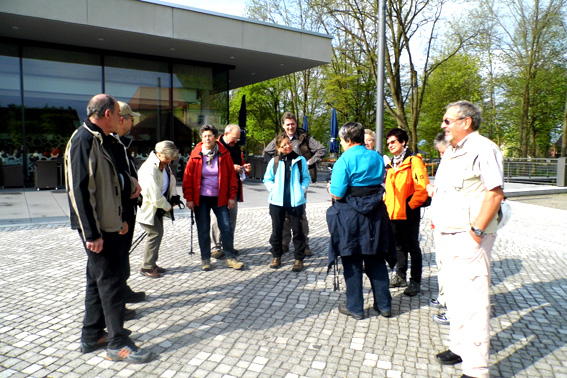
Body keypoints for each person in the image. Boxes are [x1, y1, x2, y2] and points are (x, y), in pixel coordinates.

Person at [65, 94, 151, 363]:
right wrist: (91, 233)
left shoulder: (101, 140)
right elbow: (78, 190)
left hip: (109, 224)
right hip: (98, 229)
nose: (121, 118)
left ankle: (91, 335)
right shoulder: (84, 140)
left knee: (96, 280)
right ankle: (117, 342)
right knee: (111, 281)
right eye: (117, 114)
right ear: (106, 115)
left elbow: (110, 185)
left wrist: (121, 218)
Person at [431, 101, 504, 378]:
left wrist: (475, 233)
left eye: (447, 120)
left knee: (473, 301)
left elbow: (494, 193)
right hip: (447, 233)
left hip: (469, 236)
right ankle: (459, 348)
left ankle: (476, 369)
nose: (443, 125)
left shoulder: (484, 149)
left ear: (466, 122)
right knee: (455, 297)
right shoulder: (451, 151)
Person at [326, 122, 397, 320]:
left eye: (341, 140)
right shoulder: (376, 156)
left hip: (351, 217)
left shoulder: (344, 159)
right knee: (376, 259)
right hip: (376, 213)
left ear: (348, 140)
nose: (340, 143)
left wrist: (329, 189)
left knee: (352, 260)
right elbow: (381, 179)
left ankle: (355, 307)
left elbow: (338, 193)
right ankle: (384, 305)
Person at [264, 112, 326, 256]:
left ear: (296, 124)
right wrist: (275, 166)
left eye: (292, 124)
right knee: (284, 216)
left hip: (298, 183)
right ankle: (284, 244)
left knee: (300, 215)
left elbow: (322, 150)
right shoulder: (279, 139)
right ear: (283, 125)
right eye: (288, 124)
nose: (290, 127)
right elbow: (266, 152)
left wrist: (308, 163)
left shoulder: (305, 138)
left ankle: (304, 245)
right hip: (282, 183)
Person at [182, 124, 243, 271]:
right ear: (201, 138)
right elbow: (187, 178)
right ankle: (205, 259)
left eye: (210, 136)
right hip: (201, 198)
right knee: (203, 228)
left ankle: (230, 258)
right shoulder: (195, 155)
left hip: (220, 197)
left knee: (226, 227)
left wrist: (231, 196)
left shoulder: (224, 154)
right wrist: (189, 198)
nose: (207, 138)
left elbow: (231, 177)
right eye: (204, 136)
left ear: (216, 138)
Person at [384, 128, 430, 297]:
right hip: (394, 212)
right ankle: (400, 275)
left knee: (412, 247)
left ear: (403, 142)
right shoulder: (390, 164)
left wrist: (410, 206)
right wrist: (387, 203)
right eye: (388, 143)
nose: (390, 145)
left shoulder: (413, 161)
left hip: (409, 211)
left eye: (393, 142)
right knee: (399, 246)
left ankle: (415, 281)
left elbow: (422, 187)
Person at [110, 101, 144, 316]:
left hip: (128, 207)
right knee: (116, 257)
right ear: (121, 119)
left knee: (124, 254)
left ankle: (124, 288)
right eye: (131, 118)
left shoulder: (121, 142)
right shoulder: (111, 143)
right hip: (119, 210)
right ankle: (117, 302)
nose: (133, 121)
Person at [263, 134, 311, 272]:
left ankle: (298, 258)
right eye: (283, 145)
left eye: (288, 143)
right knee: (276, 230)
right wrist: (273, 189)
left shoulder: (300, 160)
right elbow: (267, 179)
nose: (287, 146)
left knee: (298, 231)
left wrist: (302, 189)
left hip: (295, 202)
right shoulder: (275, 161)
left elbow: (306, 178)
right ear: (278, 148)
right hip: (277, 202)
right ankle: (276, 256)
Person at [137, 141, 180, 278]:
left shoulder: (163, 165)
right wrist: (168, 206)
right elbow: (154, 196)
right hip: (149, 209)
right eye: (168, 158)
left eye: (171, 159)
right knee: (154, 234)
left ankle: (152, 264)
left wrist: (174, 198)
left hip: (157, 209)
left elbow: (170, 183)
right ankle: (147, 267)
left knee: (158, 234)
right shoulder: (149, 168)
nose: (169, 161)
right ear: (159, 154)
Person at [210, 124, 251, 259]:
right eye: (234, 138)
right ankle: (216, 247)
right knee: (218, 218)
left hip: (234, 189)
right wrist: (231, 167)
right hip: (219, 188)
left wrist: (244, 167)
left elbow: (239, 162)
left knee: (232, 218)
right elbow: (210, 165)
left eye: (238, 139)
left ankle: (228, 245)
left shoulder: (236, 147)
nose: (236, 141)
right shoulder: (215, 146)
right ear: (226, 134)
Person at [429, 131, 452, 325]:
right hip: (442, 221)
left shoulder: (456, 162)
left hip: (453, 224)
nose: (441, 155)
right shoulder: (446, 162)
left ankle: (453, 309)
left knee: (451, 267)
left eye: (442, 151)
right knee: (442, 264)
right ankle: (444, 297)